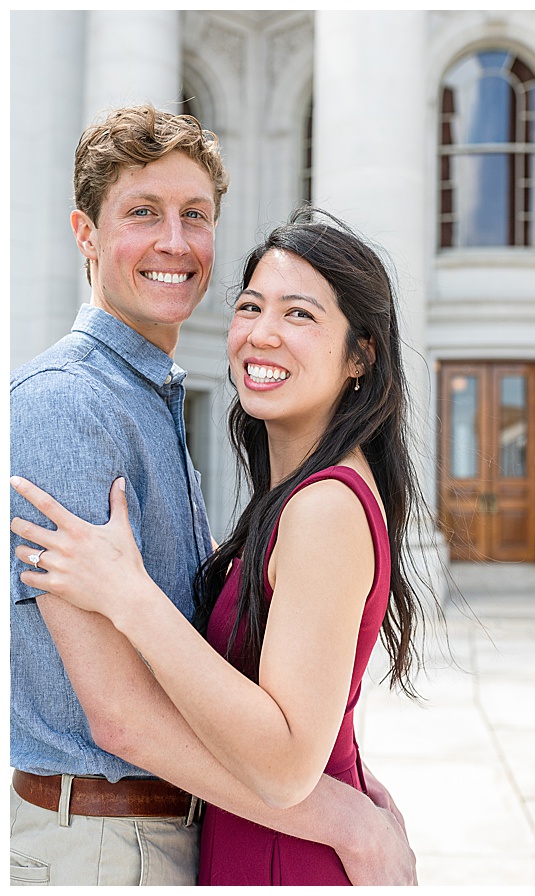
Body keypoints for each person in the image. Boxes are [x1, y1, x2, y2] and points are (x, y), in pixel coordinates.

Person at [9, 106, 413, 886]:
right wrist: (350, 820)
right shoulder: (65, 406)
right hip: (104, 846)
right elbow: (119, 713)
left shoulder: (158, 405)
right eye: (141, 214)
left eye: (194, 215)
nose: (173, 242)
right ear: (85, 235)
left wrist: (348, 802)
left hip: (189, 834)